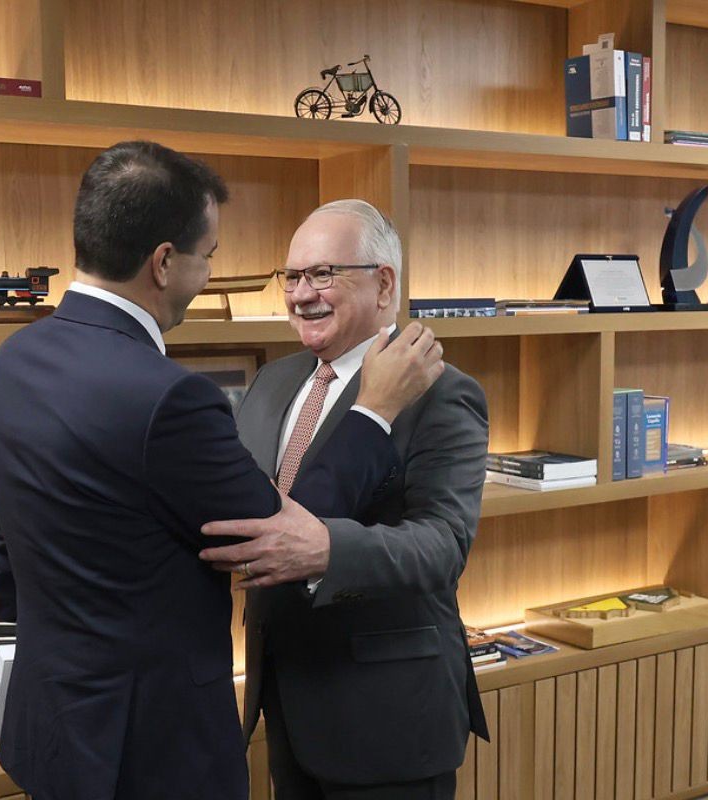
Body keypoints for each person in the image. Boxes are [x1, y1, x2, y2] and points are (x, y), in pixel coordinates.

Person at [0, 142, 444, 800]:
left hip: (47, 727)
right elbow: (278, 535)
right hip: (153, 748)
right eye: (209, 257)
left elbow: (5, 546)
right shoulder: (169, 397)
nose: (208, 276)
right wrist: (374, 412)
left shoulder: (12, 361)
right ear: (165, 262)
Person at [200, 199, 490, 800]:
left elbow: (443, 546)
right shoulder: (273, 381)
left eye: (323, 274)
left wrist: (329, 551)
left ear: (384, 284)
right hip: (285, 700)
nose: (301, 295)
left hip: (389, 718)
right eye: (292, 277)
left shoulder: (441, 393)